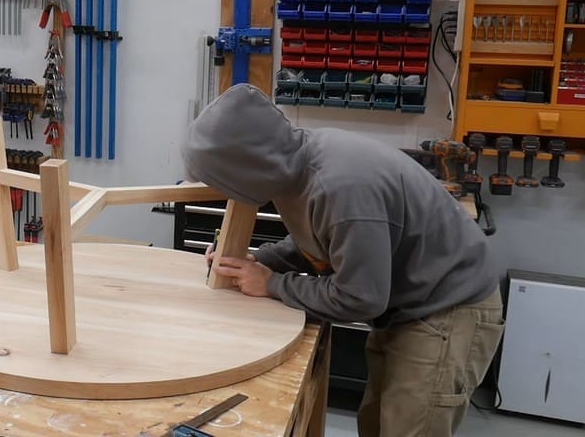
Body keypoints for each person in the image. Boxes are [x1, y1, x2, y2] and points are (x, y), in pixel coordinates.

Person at [181, 83, 504, 437]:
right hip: (410, 305)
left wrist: (272, 284)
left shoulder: (340, 187)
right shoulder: (295, 169)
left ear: (247, 164)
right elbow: (317, 241)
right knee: (375, 423)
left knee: (408, 428)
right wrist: (254, 262)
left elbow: (361, 298)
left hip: (447, 311)